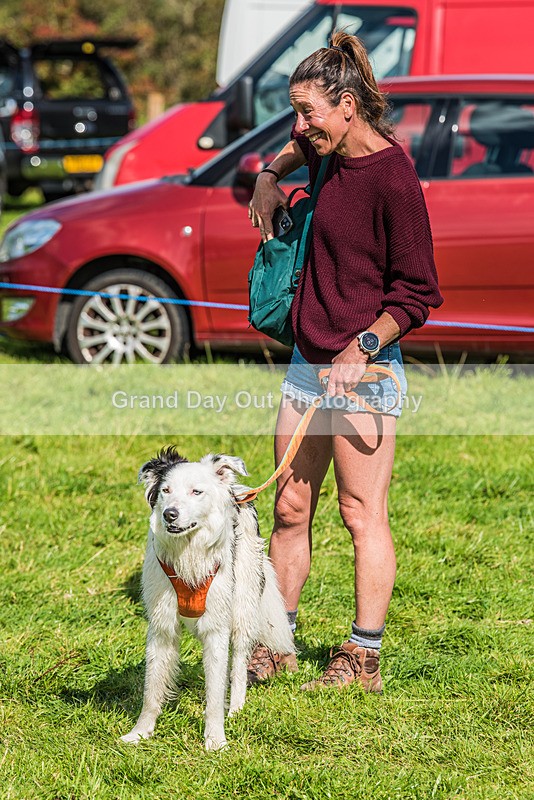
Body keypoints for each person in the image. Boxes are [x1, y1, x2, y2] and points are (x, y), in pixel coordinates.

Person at [246, 31, 443, 692]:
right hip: (307, 364)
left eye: (311, 113)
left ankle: (363, 658)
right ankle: (278, 641)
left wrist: (363, 347)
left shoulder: (394, 178)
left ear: (349, 106)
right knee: (290, 508)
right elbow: (293, 146)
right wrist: (271, 177)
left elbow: (417, 294)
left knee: (360, 516)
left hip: (368, 372)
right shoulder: (322, 149)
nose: (302, 127)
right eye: (296, 113)